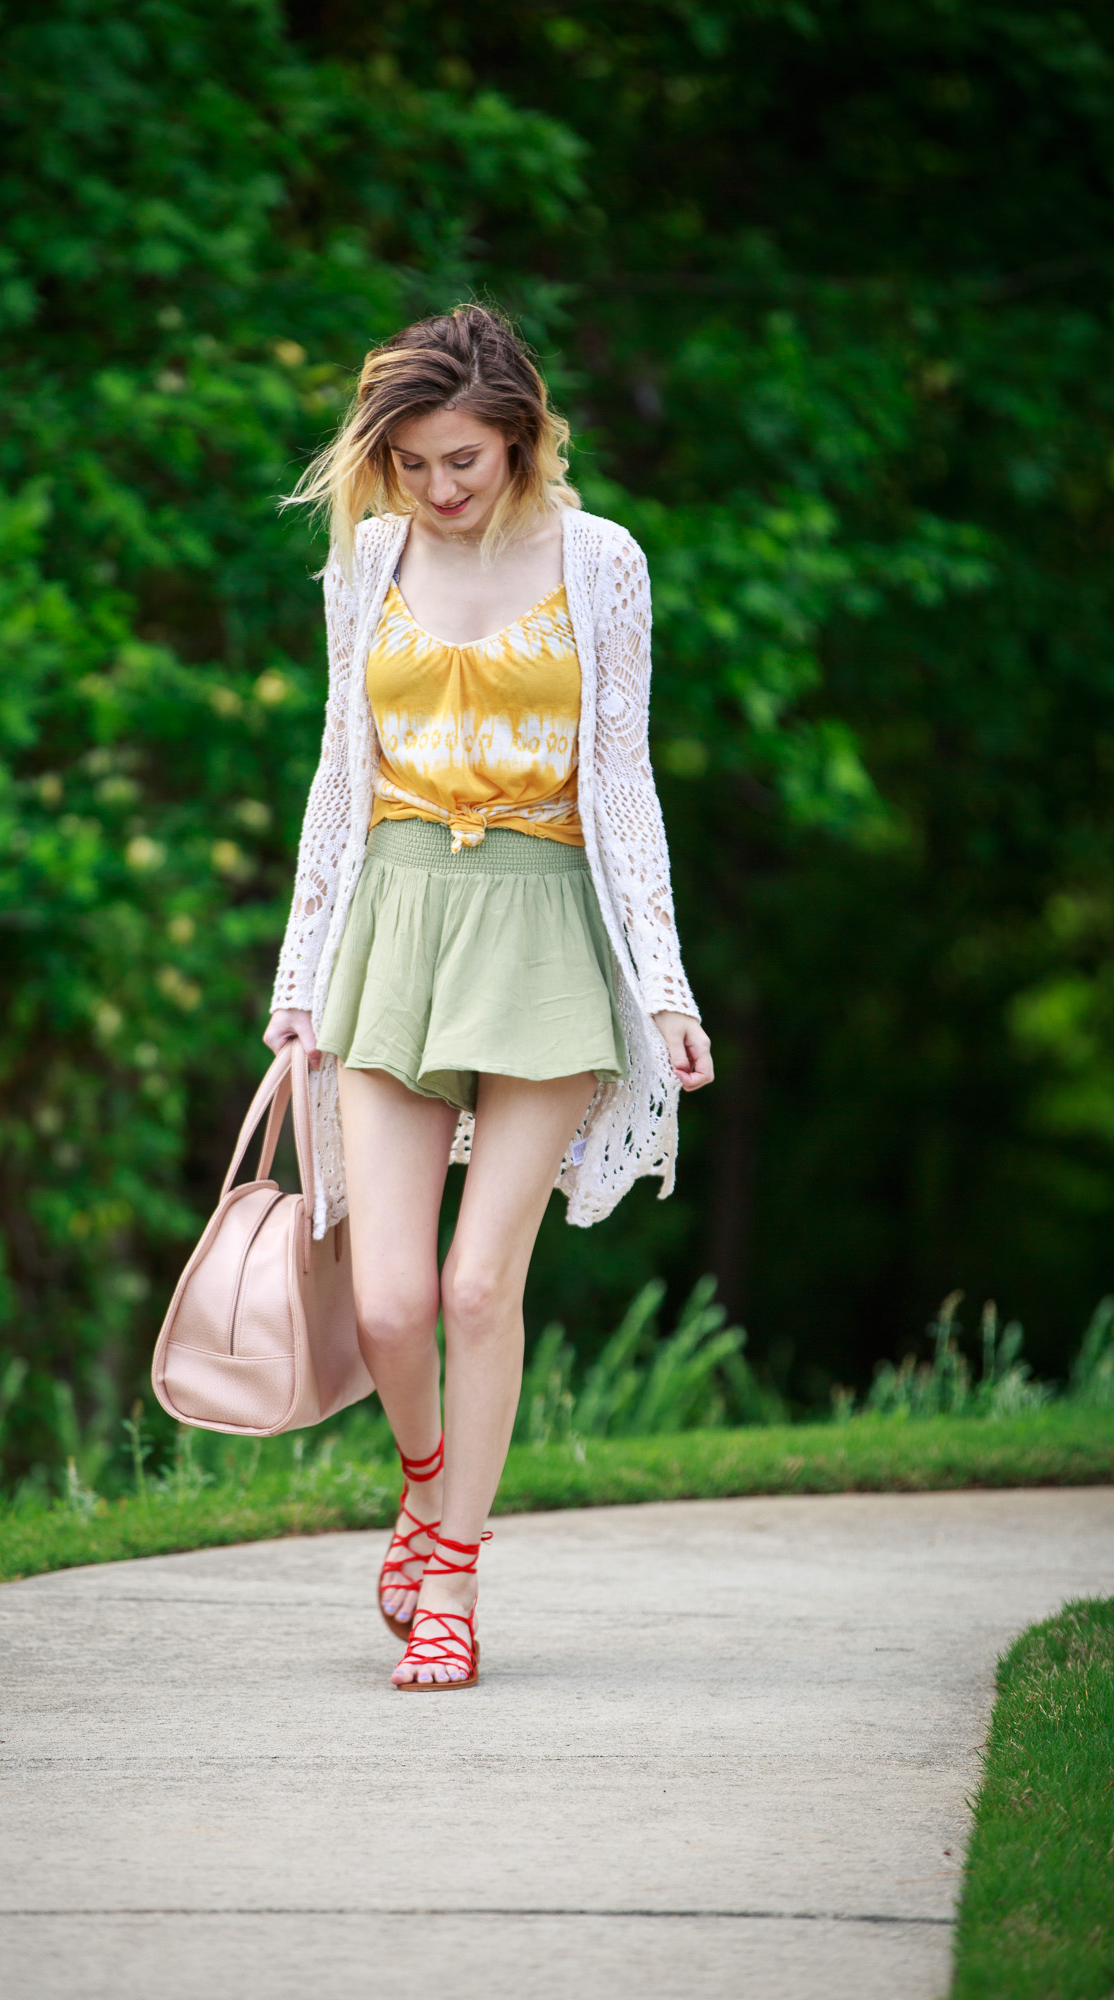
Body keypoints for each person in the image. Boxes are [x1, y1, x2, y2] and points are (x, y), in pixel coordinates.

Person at [265, 304, 712, 1690]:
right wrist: (297, 982)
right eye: (408, 463)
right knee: (390, 1304)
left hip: (542, 927)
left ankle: (453, 1573)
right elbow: (341, 775)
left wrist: (664, 983)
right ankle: (419, 1486)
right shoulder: (369, 557)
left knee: (474, 1285)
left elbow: (622, 780)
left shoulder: (599, 562)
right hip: (393, 926)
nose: (436, 489)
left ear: (521, 442)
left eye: (460, 460)